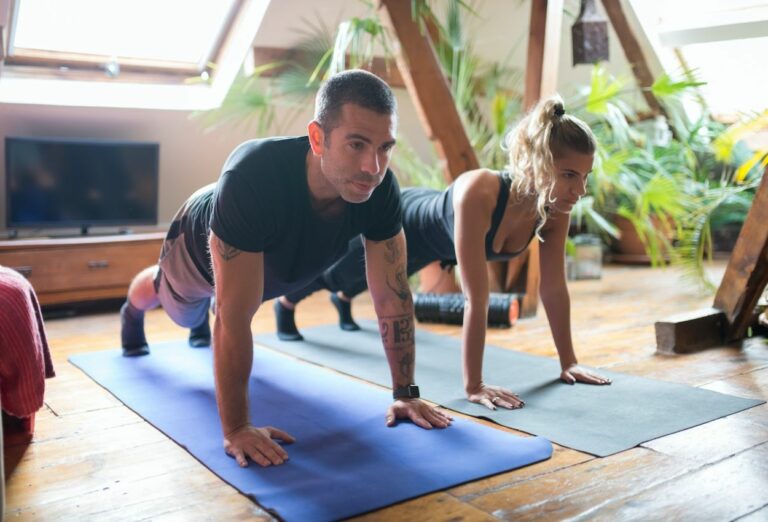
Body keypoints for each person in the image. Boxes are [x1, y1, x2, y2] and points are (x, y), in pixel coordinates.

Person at [119, 69, 452, 468]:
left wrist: (407, 391)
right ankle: (131, 311)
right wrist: (237, 427)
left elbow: (393, 298)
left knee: (233, 299)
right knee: (176, 305)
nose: (372, 166)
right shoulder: (254, 175)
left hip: (268, 262)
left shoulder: (379, 191)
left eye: (385, 148)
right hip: (196, 245)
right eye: (357, 145)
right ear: (317, 138)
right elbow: (233, 315)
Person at [274, 95, 611, 411]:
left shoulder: (554, 207)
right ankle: (286, 303)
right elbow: (475, 299)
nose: (579, 190)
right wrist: (474, 385)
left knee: (372, 280)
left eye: (584, 177)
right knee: (338, 271)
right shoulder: (479, 192)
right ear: (538, 164)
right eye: (569, 175)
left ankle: (344, 299)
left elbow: (553, 289)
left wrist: (570, 363)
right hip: (408, 219)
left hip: (435, 247)